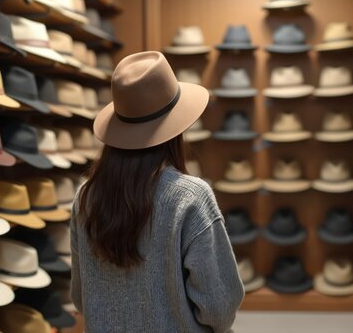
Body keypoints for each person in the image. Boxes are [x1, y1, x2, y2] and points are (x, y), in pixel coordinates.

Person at [71, 51, 244, 332]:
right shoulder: (190, 197)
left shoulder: (85, 198)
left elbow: (81, 297)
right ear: (176, 128)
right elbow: (219, 308)